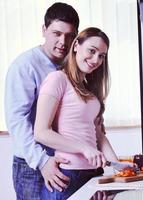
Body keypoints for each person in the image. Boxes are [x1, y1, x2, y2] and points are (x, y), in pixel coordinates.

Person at [4, 2, 79, 199]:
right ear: (44, 30)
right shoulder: (25, 66)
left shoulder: (73, 66)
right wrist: (42, 161)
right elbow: (17, 121)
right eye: (56, 33)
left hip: (66, 162)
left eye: (70, 36)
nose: (63, 41)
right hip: (33, 166)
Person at [34, 27, 119, 199]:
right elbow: (41, 132)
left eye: (101, 55)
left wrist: (119, 167)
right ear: (76, 46)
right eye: (92, 51)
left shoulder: (90, 91)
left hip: (93, 174)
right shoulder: (57, 79)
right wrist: (85, 149)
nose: (96, 59)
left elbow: (98, 135)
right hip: (67, 177)